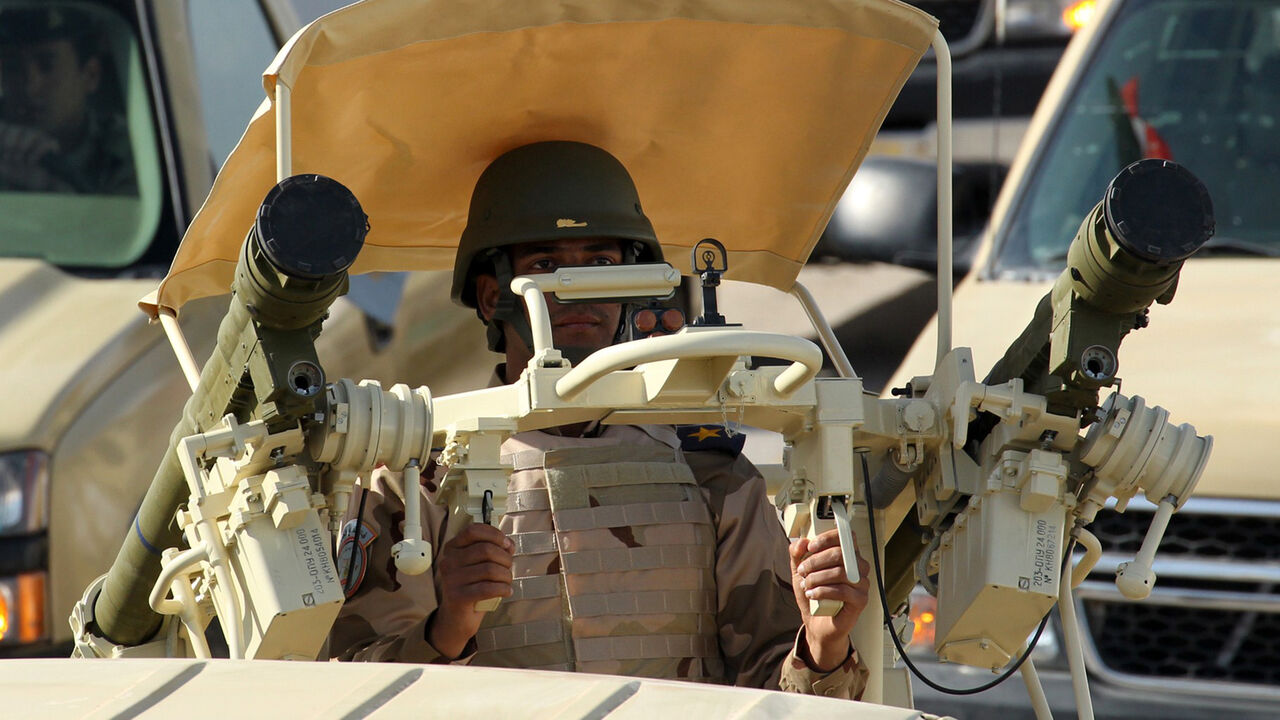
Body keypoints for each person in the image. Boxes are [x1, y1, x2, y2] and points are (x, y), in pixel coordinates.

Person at [329, 141, 871, 698]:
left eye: (602, 263)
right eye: (547, 264)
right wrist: (449, 629)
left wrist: (824, 645)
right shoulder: (418, 482)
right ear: (492, 296)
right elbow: (353, 689)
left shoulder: (711, 475)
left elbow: (777, 700)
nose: (578, 285)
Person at [0, 5, 134, 194]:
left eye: (47, 65)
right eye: (13, 67)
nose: (31, 86)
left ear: (90, 76)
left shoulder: (129, 153)